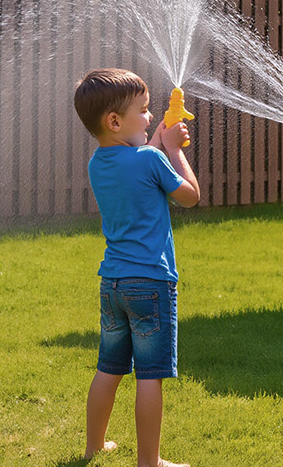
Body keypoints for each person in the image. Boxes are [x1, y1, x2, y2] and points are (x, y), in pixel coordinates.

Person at [74, 68, 200, 467]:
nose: (150, 117)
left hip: (113, 283)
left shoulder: (98, 162)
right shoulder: (149, 159)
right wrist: (175, 151)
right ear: (114, 121)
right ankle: (151, 462)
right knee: (150, 376)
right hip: (151, 284)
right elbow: (190, 196)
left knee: (109, 368)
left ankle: (95, 447)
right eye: (144, 111)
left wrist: (159, 144)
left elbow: (141, 168)